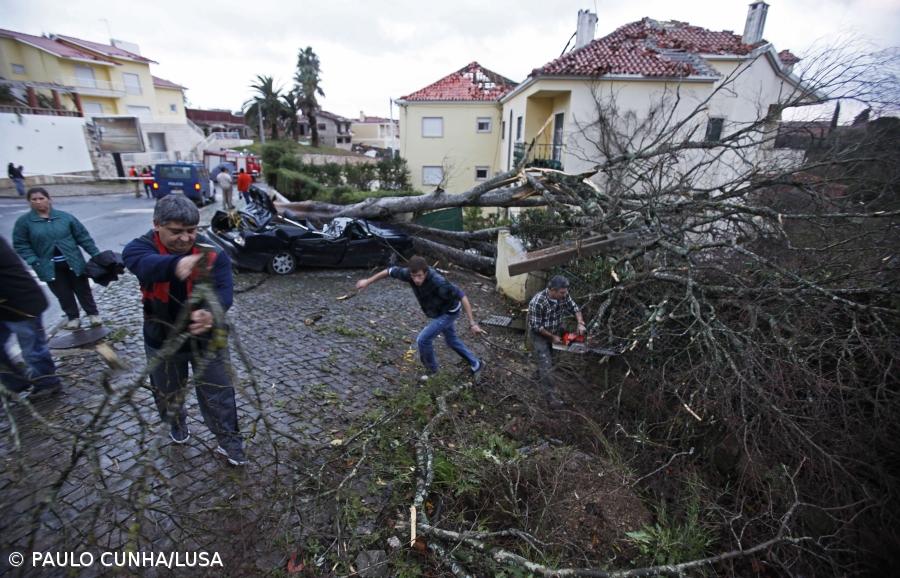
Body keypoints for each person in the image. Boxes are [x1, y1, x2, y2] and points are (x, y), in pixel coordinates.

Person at [122, 194, 247, 466]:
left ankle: (230, 442)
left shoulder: (212, 251)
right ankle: (177, 425)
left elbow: (225, 291)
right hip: (161, 338)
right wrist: (176, 265)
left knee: (220, 392)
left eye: (191, 231)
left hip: (208, 339)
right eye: (176, 232)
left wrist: (211, 313)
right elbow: (142, 264)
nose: (185, 239)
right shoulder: (139, 247)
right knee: (167, 391)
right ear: (157, 225)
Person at [356, 256, 485, 380]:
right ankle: (476, 364)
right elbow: (389, 271)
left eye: (419, 276)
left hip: (449, 312)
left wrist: (472, 323)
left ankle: (432, 371)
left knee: (423, 339)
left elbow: (463, 296)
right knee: (451, 340)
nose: (416, 280)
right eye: (413, 276)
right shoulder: (408, 274)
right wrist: (368, 281)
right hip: (438, 310)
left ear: (426, 272)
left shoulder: (438, 282)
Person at [13, 187, 103, 331]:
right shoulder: (24, 222)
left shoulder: (65, 217)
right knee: (63, 293)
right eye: (34, 199)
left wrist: (96, 255)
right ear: (29, 202)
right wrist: (33, 260)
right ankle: (73, 317)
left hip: (73, 261)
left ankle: (93, 314)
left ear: (49, 199)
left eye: (41, 198)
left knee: (83, 289)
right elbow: (20, 244)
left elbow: (83, 237)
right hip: (48, 266)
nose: (38, 202)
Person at [0, 236, 62, 397]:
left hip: (22, 304)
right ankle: (13, 383)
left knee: (32, 350)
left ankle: (47, 382)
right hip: (6, 307)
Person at [527, 275, 586, 408]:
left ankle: (537, 374)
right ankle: (550, 398)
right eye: (561, 292)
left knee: (551, 359)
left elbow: (575, 308)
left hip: (555, 329)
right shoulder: (538, 302)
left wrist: (580, 323)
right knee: (546, 363)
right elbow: (537, 326)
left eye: (565, 292)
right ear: (552, 290)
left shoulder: (564, 295)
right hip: (540, 334)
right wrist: (552, 337)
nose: (565, 295)